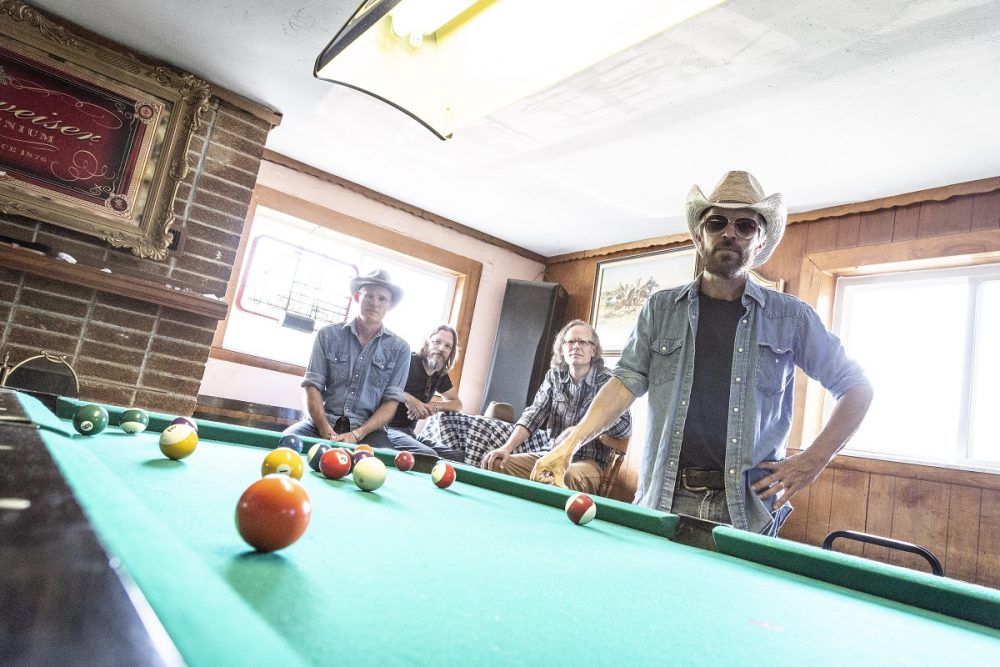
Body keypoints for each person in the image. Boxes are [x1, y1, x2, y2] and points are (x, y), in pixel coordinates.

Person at [530, 171, 873, 536]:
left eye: (745, 225)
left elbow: (856, 387)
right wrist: (572, 440)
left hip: (746, 509)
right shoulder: (661, 309)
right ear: (699, 235)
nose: (730, 233)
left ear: (759, 243)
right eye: (717, 223)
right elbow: (625, 382)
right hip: (665, 497)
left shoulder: (791, 317)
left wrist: (813, 461)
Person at [420, 320, 631, 495]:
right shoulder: (554, 376)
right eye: (570, 342)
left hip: (588, 463)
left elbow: (625, 427)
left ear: (593, 350)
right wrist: (506, 448)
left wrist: (579, 431)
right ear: (562, 348)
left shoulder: (609, 382)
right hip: (550, 455)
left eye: (583, 342)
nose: (576, 346)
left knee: (565, 476)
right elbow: (532, 416)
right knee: (496, 463)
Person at [283, 269, 410, 449]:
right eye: (369, 296)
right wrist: (324, 428)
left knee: (382, 464)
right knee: (285, 443)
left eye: (382, 298)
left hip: (369, 431)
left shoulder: (401, 349)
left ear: (390, 305)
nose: (375, 303)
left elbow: (391, 402)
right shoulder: (327, 335)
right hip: (322, 422)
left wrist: (358, 434)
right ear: (358, 297)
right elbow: (312, 386)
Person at [385, 324, 466, 461]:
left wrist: (433, 406)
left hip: (409, 433)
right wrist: (409, 399)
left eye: (447, 346)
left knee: (458, 457)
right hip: (386, 429)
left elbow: (457, 404)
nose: (441, 348)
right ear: (427, 342)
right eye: (437, 342)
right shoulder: (408, 361)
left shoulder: (440, 375)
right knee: (428, 455)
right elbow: (382, 388)